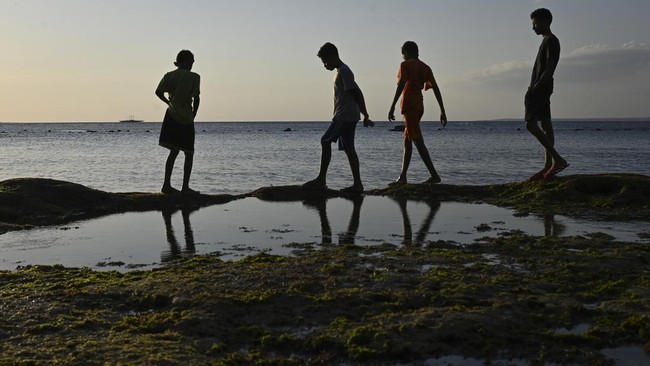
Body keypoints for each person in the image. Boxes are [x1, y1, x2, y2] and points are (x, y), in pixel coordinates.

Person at [303, 42, 373, 194]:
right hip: (348, 115)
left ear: (333, 56)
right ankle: (358, 184)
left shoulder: (344, 71)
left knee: (325, 141)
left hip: (344, 115)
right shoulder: (340, 71)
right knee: (349, 149)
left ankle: (321, 180)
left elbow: (356, 92)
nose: (325, 65)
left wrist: (366, 113)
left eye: (325, 62)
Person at [388, 41, 447, 185]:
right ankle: (403, 176)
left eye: (403, 55)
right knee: (407, 140)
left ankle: (434, 175)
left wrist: (392, 105)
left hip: (410, 106)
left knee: (417, 140)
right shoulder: (425, 68)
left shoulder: (406, 65)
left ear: (407, 53)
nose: (403, 58)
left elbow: (401, 84)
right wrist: (442, 110)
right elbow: (436, 89)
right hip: (419, 105)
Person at [525, 8, 569, 181]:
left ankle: (557, 160)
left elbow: (549, 69)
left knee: (530, 124)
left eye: (535, 23)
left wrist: (535, 87)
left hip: (540, 88)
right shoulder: (546, 41)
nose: (533, 27)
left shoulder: (551, 41)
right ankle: (548, 166)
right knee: (546, 124)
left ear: (545, 21)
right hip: (543, 87)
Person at [155, 50, 201, 194]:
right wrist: (194, 113)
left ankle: (166, 185)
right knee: (189, 153)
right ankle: (185, 187)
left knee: (173, 151)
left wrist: (169, 102)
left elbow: (158, 92)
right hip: (186, 116)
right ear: (186, 62)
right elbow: (196, 97)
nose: (193, 64)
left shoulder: (169, 76)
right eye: (192, 61)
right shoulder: (194, 77)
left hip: (172, 115)